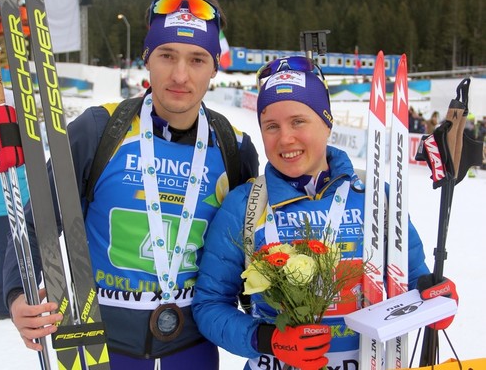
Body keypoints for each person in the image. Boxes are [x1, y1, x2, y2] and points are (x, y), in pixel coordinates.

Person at [3, 0, 259, 368]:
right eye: (166, 55)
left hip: (192, 348)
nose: (180, 75)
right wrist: (17, 295)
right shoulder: (98, 131)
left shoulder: (234, 149)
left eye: (197, 59)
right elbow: (36, 221)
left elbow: (247, 252)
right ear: (146, 57)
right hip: (102, 345)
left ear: (214, 67)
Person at [192, 56, 458, 369]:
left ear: (327, 123)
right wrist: (268, 340)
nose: (285, 138)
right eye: (271, 126)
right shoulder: (246, 204)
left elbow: (414, 281)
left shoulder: (377, 197)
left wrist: (435, 295)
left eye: (298, 121)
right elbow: (210, 305)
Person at [0, 89, 30, 320]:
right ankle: (1, 306)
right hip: (5, 206)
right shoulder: (9, 138)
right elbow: (19, 171)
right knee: (7, 255)